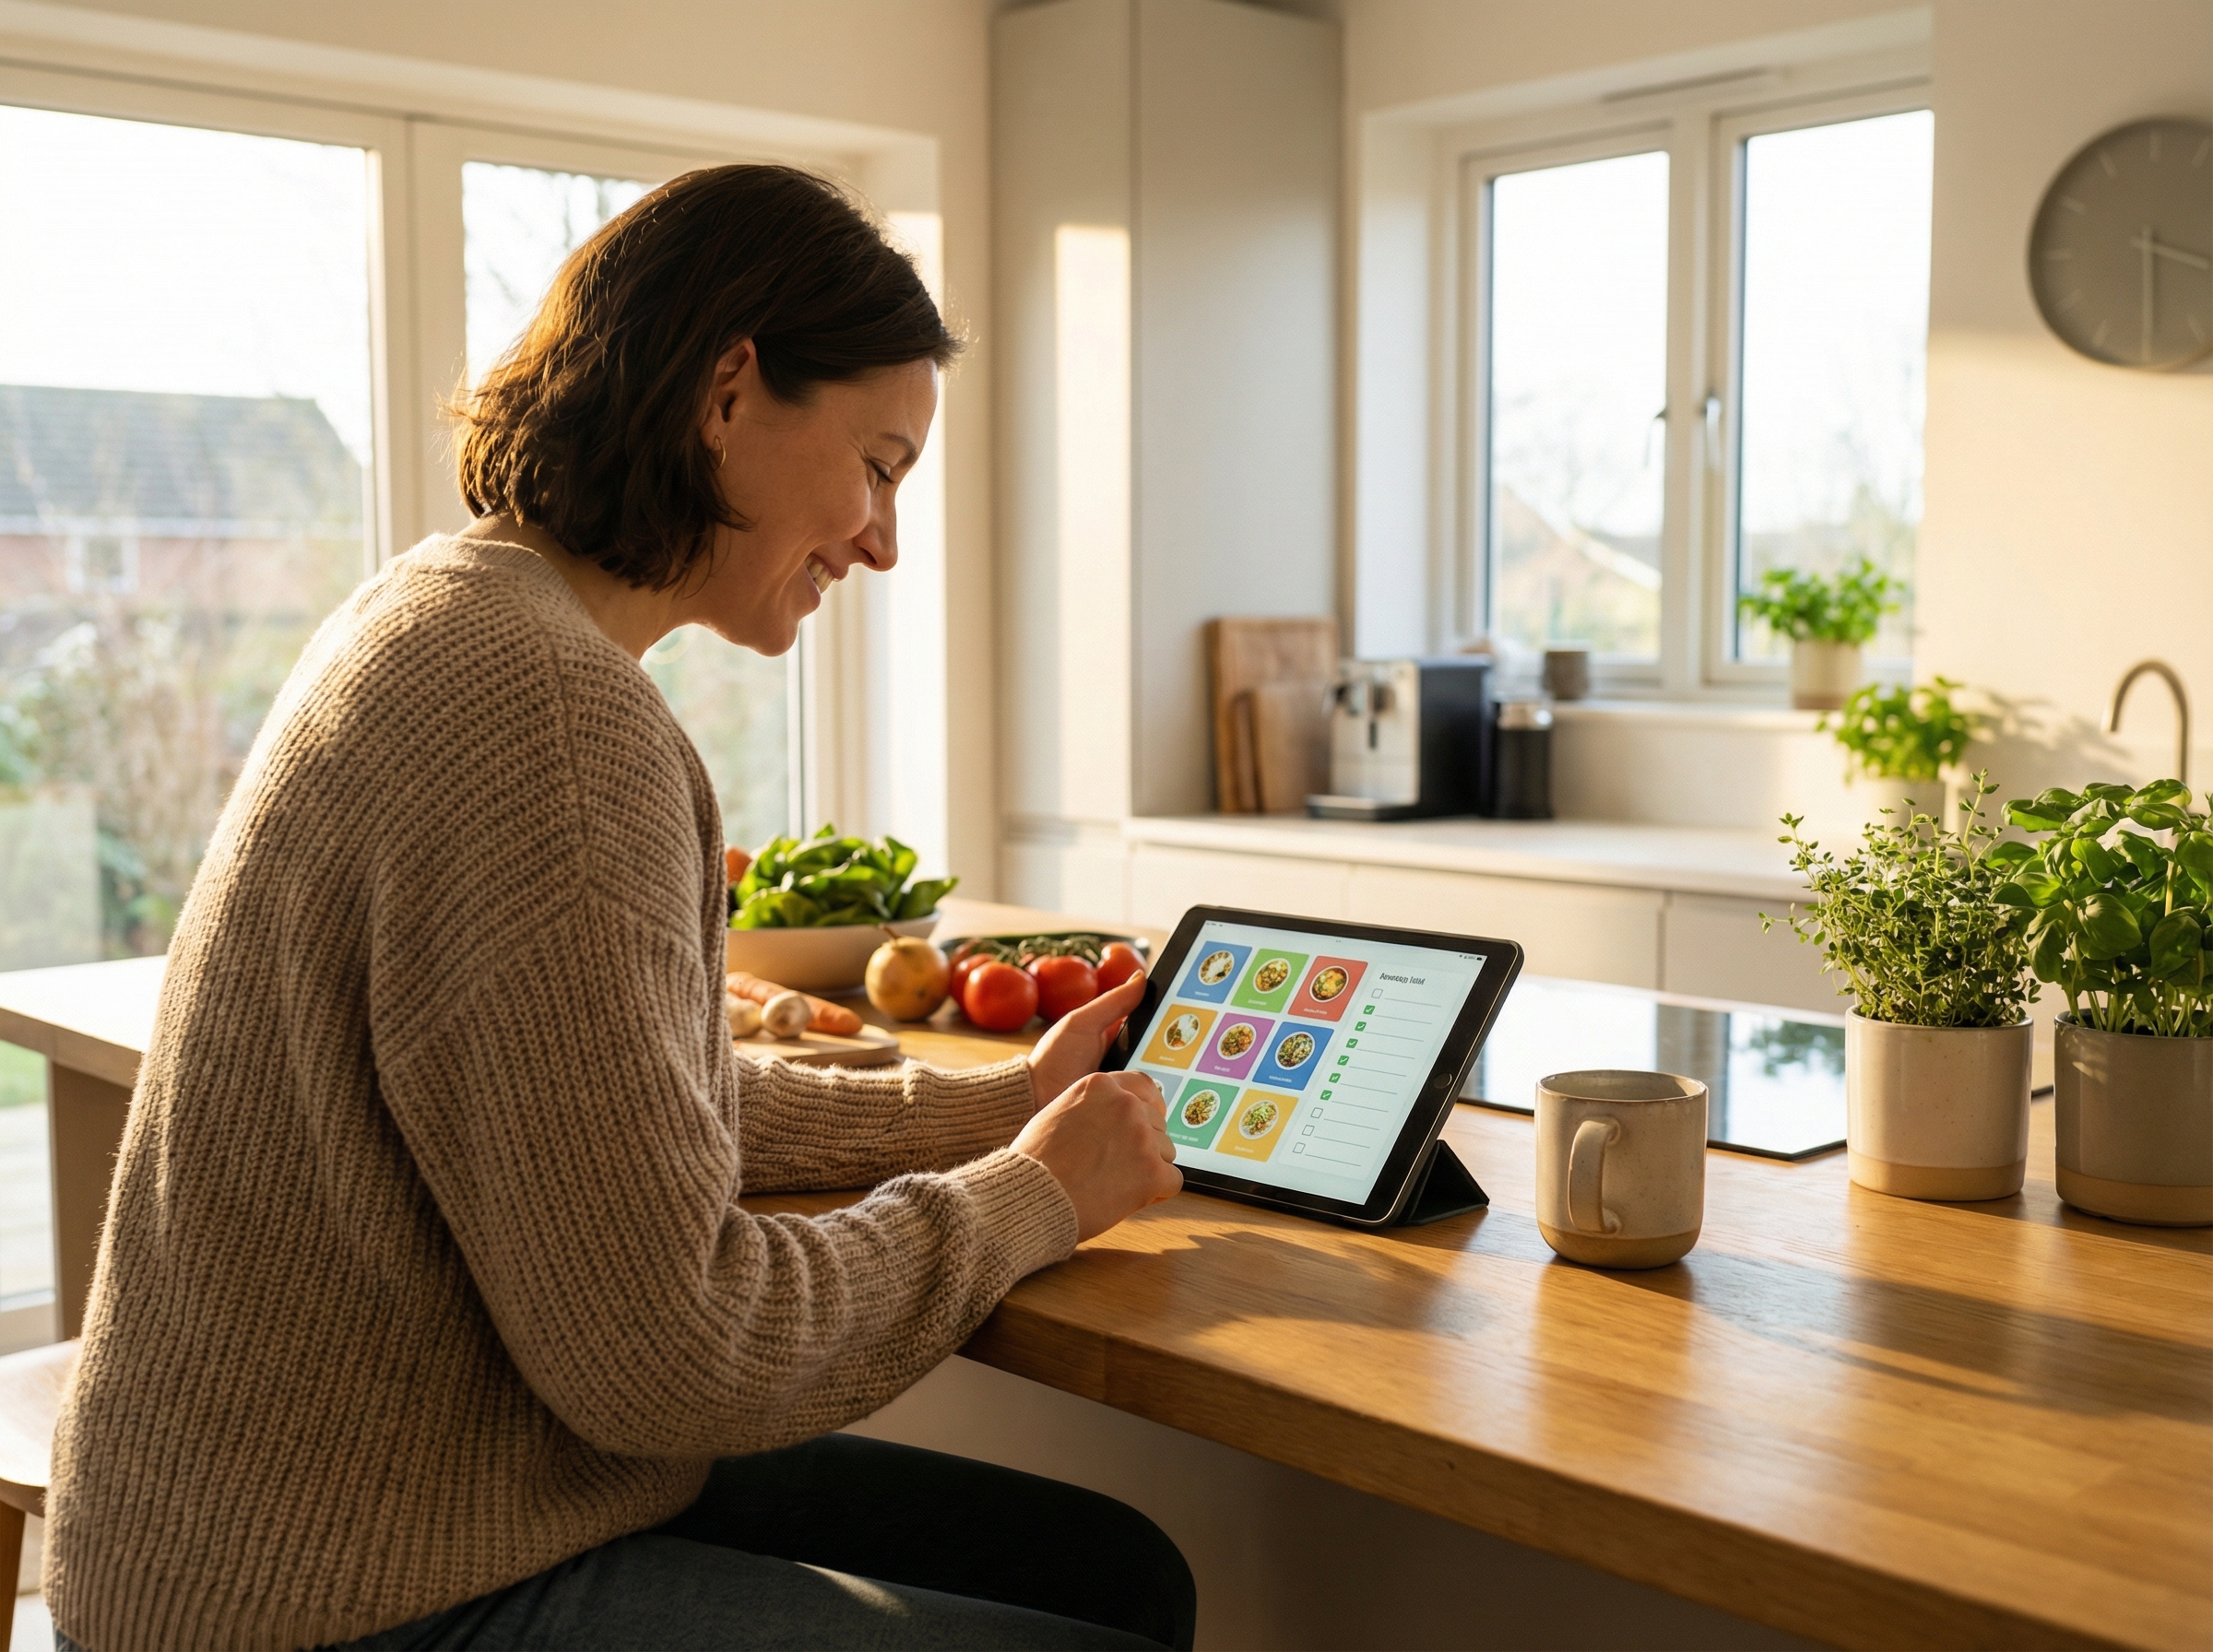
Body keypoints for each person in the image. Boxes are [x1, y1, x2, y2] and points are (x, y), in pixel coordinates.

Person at [45, 164, 1191, 1652]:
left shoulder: (448, 604)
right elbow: (676, 1354)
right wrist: (1031, 1199)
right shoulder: (552, 722)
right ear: (730, 390)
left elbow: (605, 1118)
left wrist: (996, 1110)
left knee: (1119, 1576)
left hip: (331, 1515)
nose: (885, 539)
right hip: (332, 1594)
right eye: (881, 464)